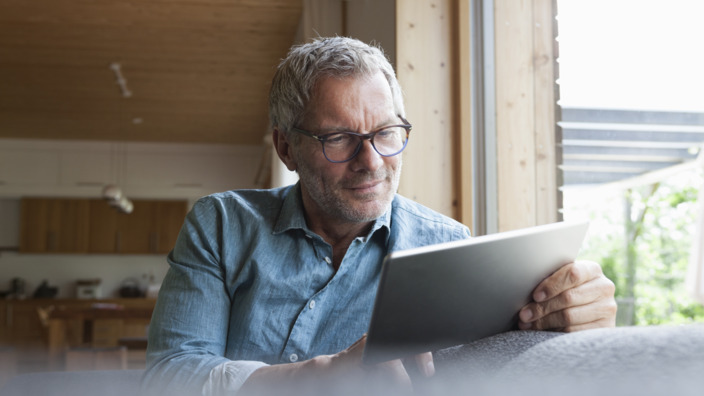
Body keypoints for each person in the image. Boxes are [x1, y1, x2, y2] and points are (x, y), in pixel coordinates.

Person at [142, 36, 617, 396]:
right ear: (286, 147)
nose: (370, 161)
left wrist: (568, 320)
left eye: (386, 133)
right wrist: (323, 375)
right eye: (338, 139)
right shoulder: (223, 225)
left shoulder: (447, 245)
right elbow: (169, 375)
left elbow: (480, 375)